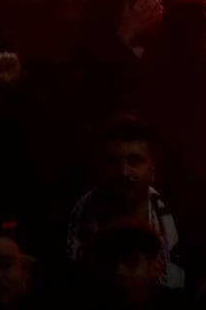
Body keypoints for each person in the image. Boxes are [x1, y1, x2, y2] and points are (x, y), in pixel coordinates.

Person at [67, 115, 185, 291]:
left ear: (152, 167)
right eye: (112, 161)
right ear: (100, 166)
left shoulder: (184, 227)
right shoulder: (65, 224)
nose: (123, 172)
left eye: (135, 161)